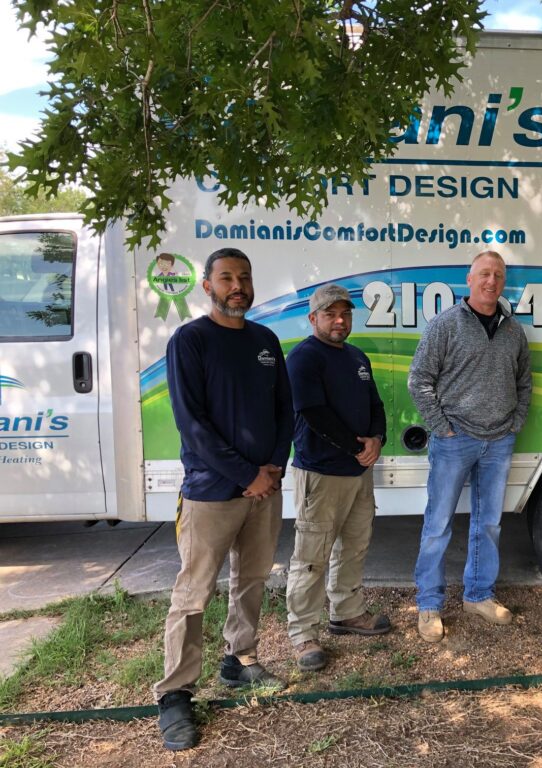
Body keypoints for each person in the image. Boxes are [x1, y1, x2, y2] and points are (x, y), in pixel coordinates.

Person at [154, 247, 293, 751]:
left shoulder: (265, 340)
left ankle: (240, 658)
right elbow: (192, 423)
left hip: (266, 487)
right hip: (212, 491)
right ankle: (174, 694)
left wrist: (273, 467)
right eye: (227, 278)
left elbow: (285, 409)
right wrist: (244, 474)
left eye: (245, 277)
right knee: (194, 593)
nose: (238, 286)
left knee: (252, 579)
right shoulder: (189, 341)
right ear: (207, 287)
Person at [408, 250, 532, 642]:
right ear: (469, 278)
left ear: (503, 281)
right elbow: (419, 380)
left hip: (499, 441)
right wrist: (442, 428)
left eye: (497, 275)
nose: (490, 281)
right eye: (483, 274)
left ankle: (478, 595)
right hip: (454, 440)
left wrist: (516, 420)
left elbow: (524, 381)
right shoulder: (445, 325)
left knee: (489, 523)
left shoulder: (513, 330)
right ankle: (429, 605)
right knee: (437, 525)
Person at [285, 283, 391, 674]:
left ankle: (346, 612)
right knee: (311, 556)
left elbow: (376, 406)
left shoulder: (357, 357)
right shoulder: (303, 358)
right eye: (330, 314)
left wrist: (377, 439)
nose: (340, 320)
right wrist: (355, 446)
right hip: (321, 472)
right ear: (313, 318)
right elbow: (313, 412)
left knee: (355, 546)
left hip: (358, 472)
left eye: (345, 313)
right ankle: (302, 633)